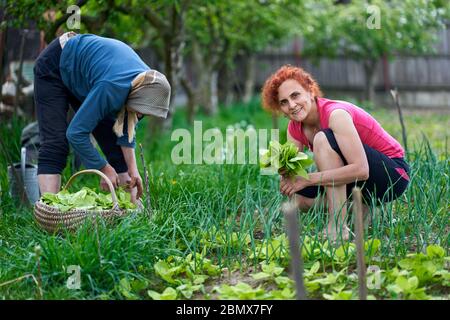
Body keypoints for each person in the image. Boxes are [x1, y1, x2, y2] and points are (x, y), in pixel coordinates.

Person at [261, 65, 410, 242]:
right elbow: (295, 173)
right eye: (284, 102)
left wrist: (308, 179)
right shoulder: (295, 127)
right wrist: (286, 174)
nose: (291, 105)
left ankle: (338, 227)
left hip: (392, 174)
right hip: (358, 180)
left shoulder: (336, 114)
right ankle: (359, 207)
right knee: (300, 199)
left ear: (310, 91)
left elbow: (362, 170)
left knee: (322, 139)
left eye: (295, 95)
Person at [34, 32, 171, 203]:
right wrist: (103, 168)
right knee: (56, 142)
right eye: (141, 110)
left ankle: (132, 211)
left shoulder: (145, 84)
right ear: (135, 96)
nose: (140, 115)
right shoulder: (114, 86)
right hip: (55, 66)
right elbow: (76, 134)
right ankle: (50, 211)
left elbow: (125, 129)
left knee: (113, 142)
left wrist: (133, 170)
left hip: (86, 78)